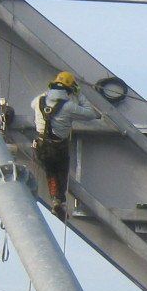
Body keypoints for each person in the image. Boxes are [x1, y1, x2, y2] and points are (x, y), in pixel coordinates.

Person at [30, 71, 100, 217]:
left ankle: (57, 201)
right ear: (70, 90)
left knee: (50, 172)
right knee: (61, 172)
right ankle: (59, 201)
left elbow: (34, 103)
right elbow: (91, 113)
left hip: (41, 146)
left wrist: (49, 92)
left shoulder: (38, 101)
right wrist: (79, 94)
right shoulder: (68, 107)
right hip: (58, 147)